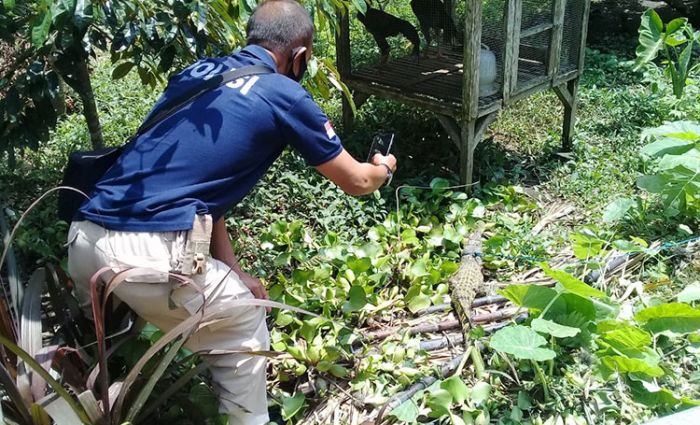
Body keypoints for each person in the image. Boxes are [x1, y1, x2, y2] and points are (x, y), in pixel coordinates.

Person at [66, 0, 397, 424]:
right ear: (300, 55)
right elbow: (357, 182)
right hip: (145, 255)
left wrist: (235, 270)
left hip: (84, 237)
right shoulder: (284, 94)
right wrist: (383, 167)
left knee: (209, 302)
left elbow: (202, 188)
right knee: (243, 321)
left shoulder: (197, 75)